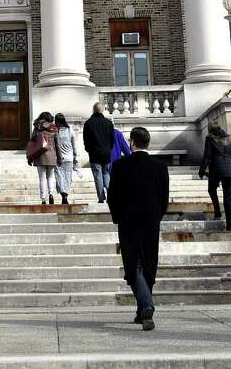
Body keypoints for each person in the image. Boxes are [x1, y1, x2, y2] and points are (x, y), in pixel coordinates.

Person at [107, 126, 169, 331]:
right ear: (148, 143)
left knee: (133, 265)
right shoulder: (160, 166)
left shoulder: (120, 165)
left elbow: (112, 196)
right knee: (148, 264)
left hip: (128, 221)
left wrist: (117, 217)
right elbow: (164, 198)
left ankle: (146, 306)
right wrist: (157, 217)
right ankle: (141, 311)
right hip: (151, 222)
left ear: (132, 142)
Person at [198, 122, 231, 231]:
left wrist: (202, 170)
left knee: (211, 189)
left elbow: (207, 156)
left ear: (210, 130)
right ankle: (230, 225)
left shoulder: (210, 138)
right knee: (227, 198)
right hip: (230, 171)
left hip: (216, 169)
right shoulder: (227, 139)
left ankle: (217, 213)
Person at [83, 102, 116, 203]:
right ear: (102, 110)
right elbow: (112, 139)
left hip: (94, 153)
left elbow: (86, 140)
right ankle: (111, 194)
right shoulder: (108, 123)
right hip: (106, 153)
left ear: (93, 110)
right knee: (106, 173)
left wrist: (89, 149)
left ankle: (101, 197)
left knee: (97, 175)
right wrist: (109, 149)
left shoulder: (88, 123)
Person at [29, 111, 59, 205]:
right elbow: (57, 144)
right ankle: (51, 194)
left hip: (40, 155)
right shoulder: (54, 128)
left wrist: (30, 157)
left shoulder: (37, 127)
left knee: (42, 178)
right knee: (50, 177)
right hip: (51, 155)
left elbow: (32, 143)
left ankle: (43, 199)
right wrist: (59, 157)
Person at [53, 113, 79, 205]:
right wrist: (75, 157)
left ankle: (63, 194)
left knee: (59, 177)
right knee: (68, 177)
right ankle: (66, 195)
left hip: (58, 158)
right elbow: (74, 145)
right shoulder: (70, 130)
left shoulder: (55, 132)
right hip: (69, 158)